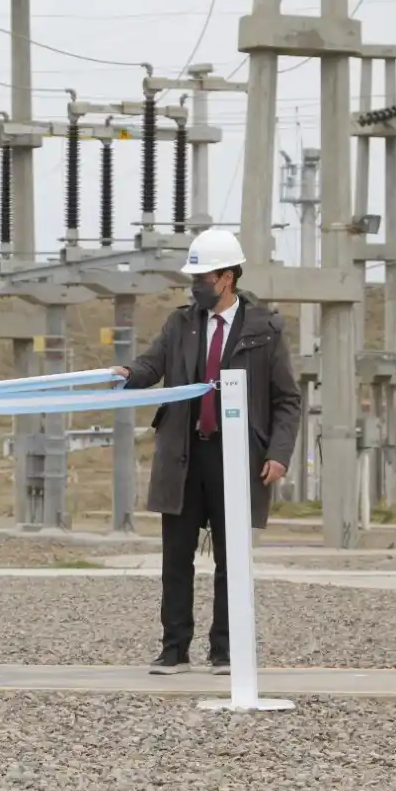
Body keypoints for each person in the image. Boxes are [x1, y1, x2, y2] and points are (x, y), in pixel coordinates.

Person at [112, 229, 301, 677]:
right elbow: (152, 364)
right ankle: (174, 649)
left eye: (202, 277)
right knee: (176, 557)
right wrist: (128, 374)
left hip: (237, 456)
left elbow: (287, 399)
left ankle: (225, 651)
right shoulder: (181, 324)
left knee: (231, 559)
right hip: (184, 454)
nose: (195, 285)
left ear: (227, 278)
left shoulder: (264, 329)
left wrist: (278, 453)